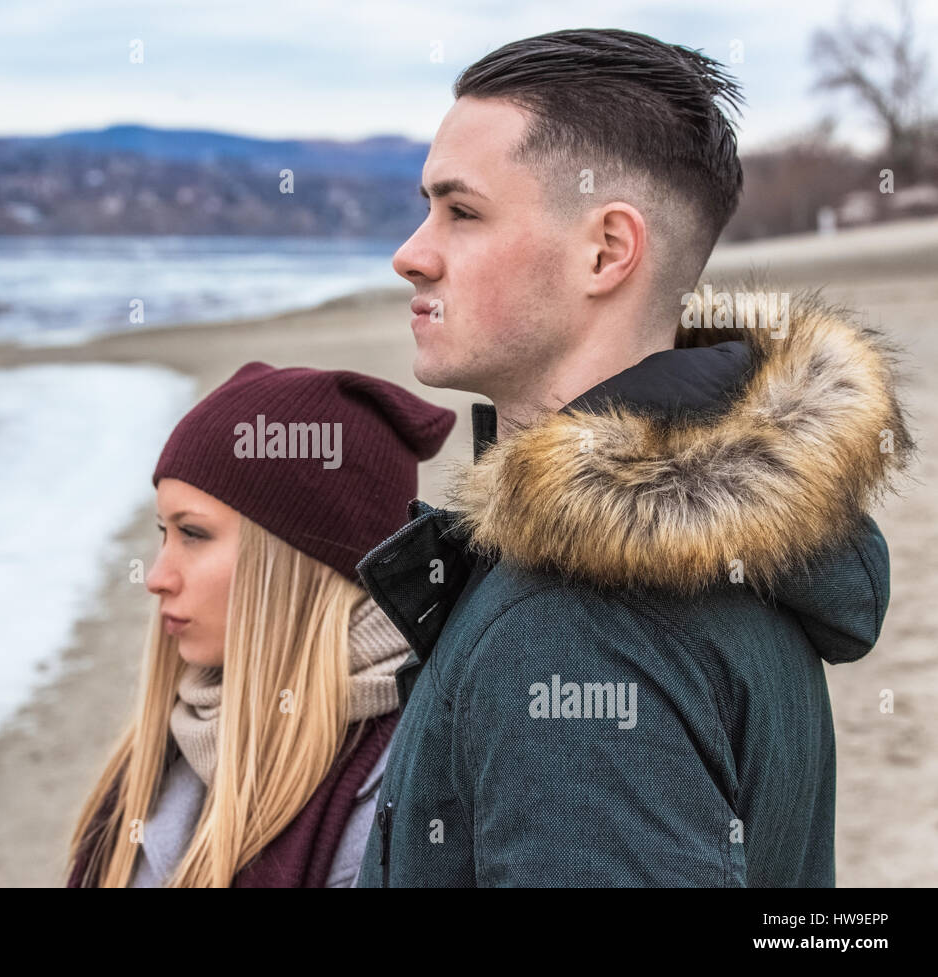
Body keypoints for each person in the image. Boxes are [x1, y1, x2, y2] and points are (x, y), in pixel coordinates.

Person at [353, 28, 916, 886]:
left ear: (608, 250)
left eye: (461, 212)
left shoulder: (571, 630)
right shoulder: (744, 549)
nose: (411, 253)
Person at [65, 361, 455, 887]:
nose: (157, 577)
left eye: (194, 534)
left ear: (298, 561)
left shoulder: (402, 788)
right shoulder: (169, 744)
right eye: (164, 531)